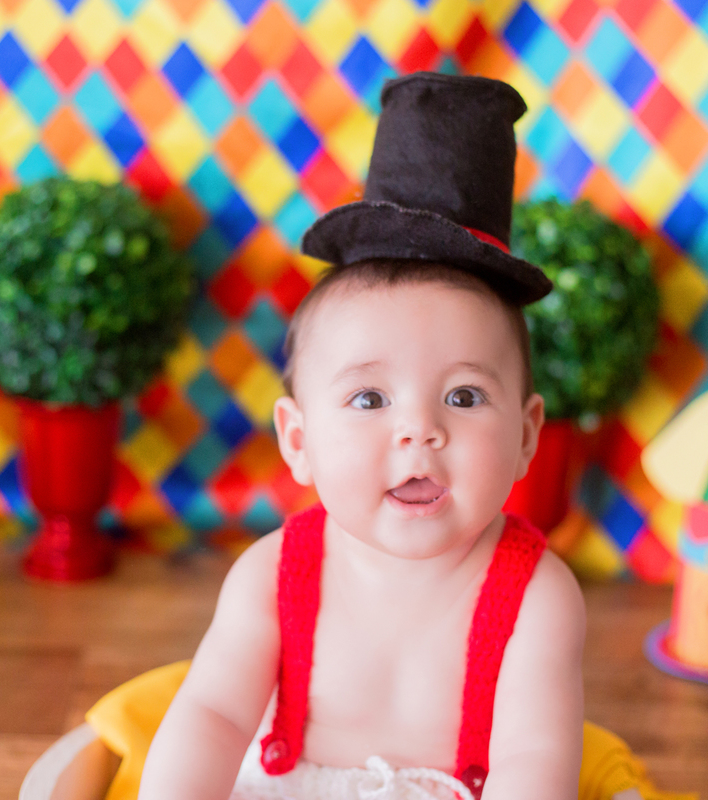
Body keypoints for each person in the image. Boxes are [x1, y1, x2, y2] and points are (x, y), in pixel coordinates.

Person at [138, 72, 586, 800]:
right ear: (299, 438)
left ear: (528, 432)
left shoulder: (537, 595)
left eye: (464, 396)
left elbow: (534, 763)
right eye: (370, 397)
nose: (419, 431)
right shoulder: (272, 575)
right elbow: (214, 716)